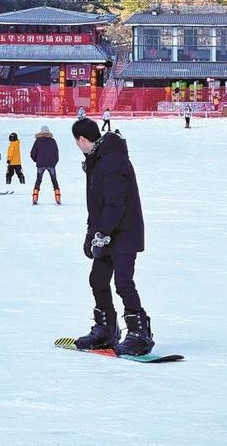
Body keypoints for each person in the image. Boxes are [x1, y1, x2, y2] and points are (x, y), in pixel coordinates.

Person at [72, 118, 153, 356]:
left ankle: (140, 334)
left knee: (123, 282)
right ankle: (106, 328)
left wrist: (102, 233)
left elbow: (116, 204)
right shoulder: (96, 161)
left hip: (124, 232)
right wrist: (91, 234)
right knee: (98, 279)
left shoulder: (114, 160)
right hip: (106, 232)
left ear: (82, 140)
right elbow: (96, 205)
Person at [30, 124, 60, 205]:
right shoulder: (52, 141)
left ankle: (35, 198)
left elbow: (32, 153)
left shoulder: (37, 141)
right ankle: (58, 198)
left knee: (38, 180)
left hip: (40, 164)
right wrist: (54, 162)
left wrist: (37, 161)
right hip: (51, 164)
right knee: (54, 181)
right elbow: (56, 153)